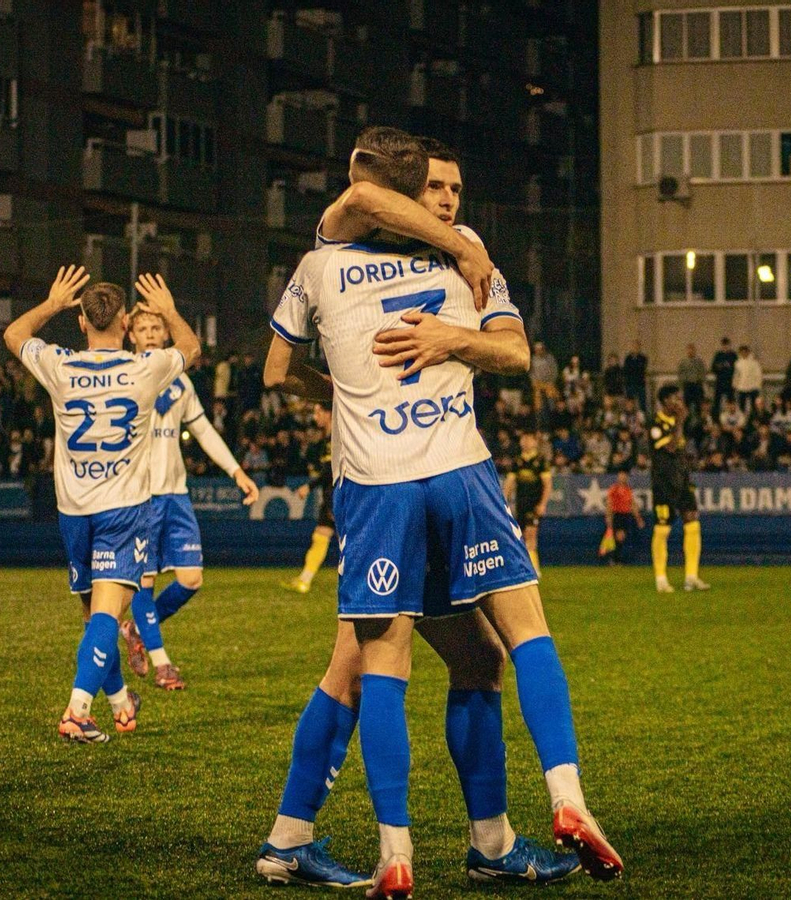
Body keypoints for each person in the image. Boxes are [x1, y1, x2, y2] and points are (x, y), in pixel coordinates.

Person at [263, 128, 616, 897]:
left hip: (381, 487)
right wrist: (467, 257)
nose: (449, 203)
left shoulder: (329, 264)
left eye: (458, 191)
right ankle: (302, 842)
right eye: (435, 190)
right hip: (425, 480)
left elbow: (513, 352)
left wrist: (447, 337)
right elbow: (360, 199)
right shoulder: (406, 248)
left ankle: (462, 843)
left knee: (448, 661)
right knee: (360, 667)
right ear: (404, 197)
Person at [4, 267, 198, 742]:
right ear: (128, 323)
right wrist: (169, 310)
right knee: (108, 617)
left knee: (95, 620)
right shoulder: (144, 368)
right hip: (123, 510)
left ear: (82, 323)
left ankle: (119, 702)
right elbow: (192, 349)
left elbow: (13, 334)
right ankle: (77, 710)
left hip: (73, 512)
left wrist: (52, 303)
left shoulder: (60, 364)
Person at [120, 301, 258, 690]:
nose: (149, 334)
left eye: (155, 328)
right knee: (143, 582)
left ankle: (135, 629)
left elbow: (203, 432)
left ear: (166, 334)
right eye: (142, 328)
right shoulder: (125, 376)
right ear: (131, 335)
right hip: (140, 497)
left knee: (192, 579)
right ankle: (163, 663)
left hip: (175, 494)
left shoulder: (180, 383)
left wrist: (236, 471)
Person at [649, 384, 709, 593]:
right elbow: (671, 447)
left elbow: (680, 449)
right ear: (665, 401)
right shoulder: (656, 423)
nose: (679, 402)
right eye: (675, 398)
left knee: (692, 519)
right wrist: (680, 422)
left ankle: (691, 576)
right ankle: (661, 578)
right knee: (663, 528)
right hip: (663, 482)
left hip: (682, 479)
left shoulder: (677, 423)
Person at [282, 405, 338, 595]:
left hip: (338, 494)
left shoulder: (336, 437)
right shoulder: (326, 438)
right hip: (330, 494)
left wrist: (309, 486)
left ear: (328, 413)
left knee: (346, 538)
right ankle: (305, 579)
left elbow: (331, 470)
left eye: (318, 412)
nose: (315, 417)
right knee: (321, 535)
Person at [504, 431, 552, 572]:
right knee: (522, 536)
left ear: (535, 442)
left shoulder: (541, 461)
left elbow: (547, 484)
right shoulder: (517, 461)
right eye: (523, 439)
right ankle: (526, 567)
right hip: (521, 504)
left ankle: (533, 569)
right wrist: (503, 502)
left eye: (529, 439)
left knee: (531, 534)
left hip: (534, 504)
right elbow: (509, 483)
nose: (525, 442)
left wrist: (543, 504)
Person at [604, 469, 641, 566]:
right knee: (618, 537)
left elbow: (632, 503)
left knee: (621, 537)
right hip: (617, 514)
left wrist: (638, 518)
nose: (623, 478)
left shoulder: (628, 489)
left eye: (624, 476)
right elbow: (609, 503)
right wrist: (608, 516)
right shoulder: (614, 488)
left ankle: (615, 558)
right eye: (621, 476)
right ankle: (614, 559)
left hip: (626, 515)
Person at [733, 344, 762, 413]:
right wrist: (735, 385)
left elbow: (758, 375)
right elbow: (736, 375)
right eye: (742, 352)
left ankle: (754, 420)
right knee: (741, 407)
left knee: (754, 407)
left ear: (748, 352)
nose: (743, 353)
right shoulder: (738, 363)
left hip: (753, 387)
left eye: (745, 352)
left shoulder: (754, 363)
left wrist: (758, 386)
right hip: (741, 387)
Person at [677, 343, 706, 411]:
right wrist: (682, 385)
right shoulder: (683, 362)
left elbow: (702, 372)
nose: (690, 351)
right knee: (687, 405)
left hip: (697, 385)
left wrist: (701, 381)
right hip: (687, 386)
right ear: (687, 351)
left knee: (698, 404)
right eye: (689, 350)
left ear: (694, 351)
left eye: (692, 350)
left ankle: (698, 419)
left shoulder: (699, 362)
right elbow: (680, 374)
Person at [622, 341, 648, 410]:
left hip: (640, 382)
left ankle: (642, 416)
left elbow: (641, 368)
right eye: (634, 346)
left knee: (642, 401)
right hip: (630, 383)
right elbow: (626, 369)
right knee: (630, 400)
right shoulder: (628, 358)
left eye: (636, 347)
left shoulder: (643, 358)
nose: (635, 348)